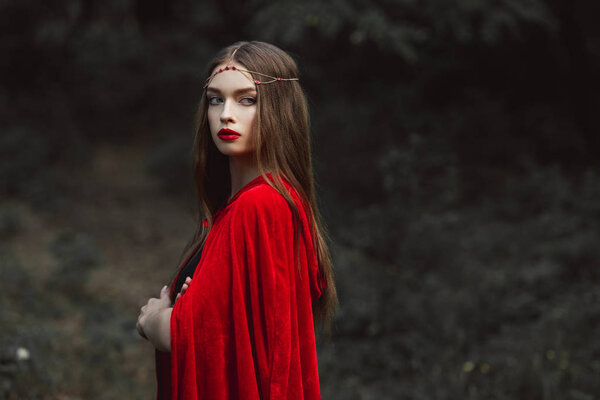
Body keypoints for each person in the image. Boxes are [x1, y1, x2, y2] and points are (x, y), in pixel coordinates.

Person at [136, 41, 338, 399]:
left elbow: (192, 335)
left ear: (279, 109)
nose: (226, 114)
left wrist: (153, 318)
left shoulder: (260, 206)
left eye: (247, 99)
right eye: (216, 99)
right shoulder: (267, 202)